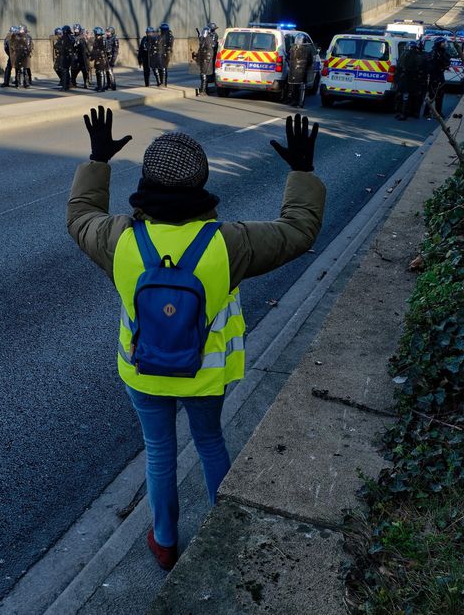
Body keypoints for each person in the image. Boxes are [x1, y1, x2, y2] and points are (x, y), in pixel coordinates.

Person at [66, 106, 325, 571]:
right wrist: (303, 172)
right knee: (210, 443)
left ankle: (164, 541)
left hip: (143, 371)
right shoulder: (229, 243)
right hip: (206, 374)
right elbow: (298, 232)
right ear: (201, 184)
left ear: (146, 181)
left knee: (160, 452)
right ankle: (220, 532)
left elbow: (81, 215)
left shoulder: (118, 239)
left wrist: (98, 161)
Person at [394, 41, 428, 120]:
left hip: (411, 79)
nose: (408, 48)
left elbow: (413, 67)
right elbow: (400, 66)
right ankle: (405, 112)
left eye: (410, 47)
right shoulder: (407, 54)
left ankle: (405, 114)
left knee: (407, 96)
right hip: (406, 78)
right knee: (405, 96)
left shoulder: (416, 55)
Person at [425, 37, 451, 117]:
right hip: (434, 77)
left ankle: (438, 113)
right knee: (432, 95)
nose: (445, 44)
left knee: (440, 95)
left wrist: (444, 65)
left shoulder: (443, 52)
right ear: (439, 44)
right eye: (443, 43)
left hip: (440, 75)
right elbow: (430, 66)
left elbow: (447, 61)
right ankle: (426, 113)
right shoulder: (434, 53)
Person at [287, 33, 314, 108]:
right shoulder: (308, 49)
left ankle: (294, 101)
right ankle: (299, 103)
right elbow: (310, 61)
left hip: (294, 71)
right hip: (302, 72)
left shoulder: (292, 47)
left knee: (295, 87)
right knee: (301, 88)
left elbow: (288, 57)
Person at [193, 22, 218, 96]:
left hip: (209, 57)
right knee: (203, 73)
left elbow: (212, 46)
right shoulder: (204, 37)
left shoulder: (211, 37)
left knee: (204, 73)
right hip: (204, 56)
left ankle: (203, 91)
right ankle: (204, 89)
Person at [71, 24, 90, 89]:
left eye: (77, 30)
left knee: (84, 70)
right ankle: (73, 82)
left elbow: (87, 47)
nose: (76, 31)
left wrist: (88, 54)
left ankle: (86, 82)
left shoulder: (82, 37)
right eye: (75, 30)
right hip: (75, 56)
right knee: (74, 70)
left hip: (83, 56)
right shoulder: (72, 37)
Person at [91, 26, 109, 92]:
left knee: (101, 72)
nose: (95, 35)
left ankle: (102, 87)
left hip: (101, 59)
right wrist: (91, 56)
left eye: (95, 33)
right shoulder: (97, 40)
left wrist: (98, 55)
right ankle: (99, 86)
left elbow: (104, 50)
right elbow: (94, 49)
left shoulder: (102, 40)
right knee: (97, 72)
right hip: (97, 58)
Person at [60, 25, 76, 91]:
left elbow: (66, 47)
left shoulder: (66, 37)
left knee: (64, 71)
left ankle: (65, 86)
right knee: (66, 70)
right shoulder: (71, 37)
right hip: (69, 56)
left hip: (66, 56)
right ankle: (67, 84)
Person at [157, 22, 174, 87]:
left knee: (163, 67)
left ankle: (163, 83)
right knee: (160, 68)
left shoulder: (169, 37)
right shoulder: (160, 36)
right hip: (160, 53)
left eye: (161, 29)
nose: (161, 31)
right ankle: (162, 82)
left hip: (166, 53)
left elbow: (169, 46)